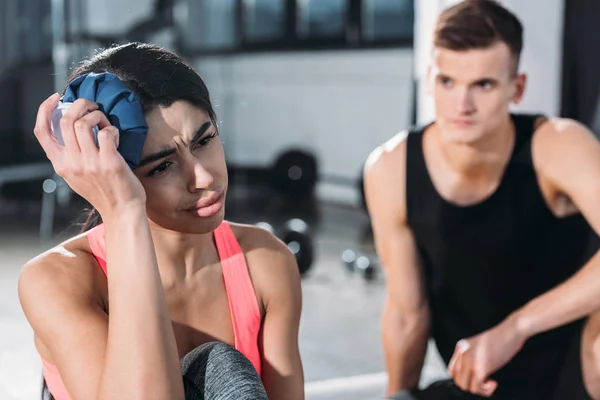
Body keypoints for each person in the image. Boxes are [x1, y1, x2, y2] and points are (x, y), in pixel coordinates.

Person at [18, 42, 304, 400]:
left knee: (221, 368)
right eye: (162, 166)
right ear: (108, 172)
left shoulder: (266, 262)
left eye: (204, 140)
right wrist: (122, 211)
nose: (202, 177)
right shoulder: (55, 281)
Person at [363, 1, 600, 399]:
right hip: (480, 381)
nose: (462, 105)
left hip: (575, 369)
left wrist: (517, 326)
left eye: (483, 85)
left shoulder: (557, 145)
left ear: (517, 88)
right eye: (447, 82)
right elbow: (408, 314)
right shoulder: (390, 168)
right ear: (429, 79)